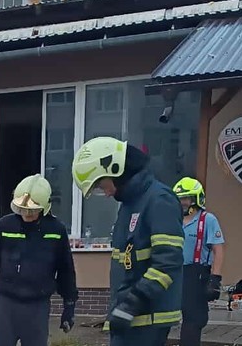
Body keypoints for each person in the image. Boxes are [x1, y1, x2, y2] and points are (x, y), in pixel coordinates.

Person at [71, 137, 183, 346]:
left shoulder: (159, 200)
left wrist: (132, 303)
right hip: (130, 317)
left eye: (101, 185)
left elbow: (168, 263)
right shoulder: (130, 203)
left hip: (146, 318)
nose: (105, 194)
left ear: (115, 170)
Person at [0, 174, 78, 346]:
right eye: (22, 209)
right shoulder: (6, 226)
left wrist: (69, 306)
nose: (27, 214)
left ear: (44, 207)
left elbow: (66, 271)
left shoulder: (56, 230)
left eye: (32, 210)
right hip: (6, 304)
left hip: (37, 306)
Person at [172, 177, 225, 346]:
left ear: (196, 199)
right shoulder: (173, 220)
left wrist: (215, 278)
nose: (183, 203)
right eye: (180, 199)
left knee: (194, 319)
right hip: (173, 272)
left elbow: (218, 249)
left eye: (186, 198)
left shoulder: (208, 219)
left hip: (196, 274)